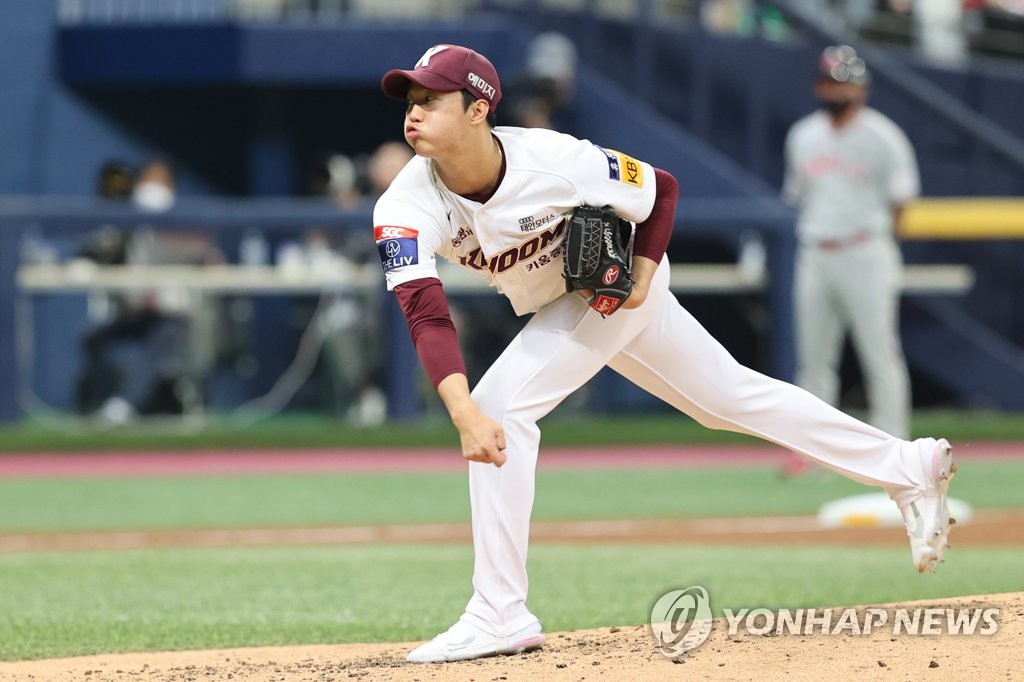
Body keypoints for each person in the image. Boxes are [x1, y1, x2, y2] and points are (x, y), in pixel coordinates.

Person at [372, 44, 955, 664]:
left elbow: (660, 190)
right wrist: (458, 411)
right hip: (565, 301)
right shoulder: (404, 205)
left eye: (431, 99)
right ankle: (906, 465)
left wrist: (644, 276)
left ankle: (498, 612)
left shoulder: (555, 160)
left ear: (478, 108)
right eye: (411, 101)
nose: (414, 113)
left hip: (613, 292)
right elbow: (424, 312)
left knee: (502, 407)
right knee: (727, 399)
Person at [783, 45, 918, 445]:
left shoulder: (884, 136)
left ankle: (893, 444)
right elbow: (798, 196)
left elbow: (901, 202)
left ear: (862, 88)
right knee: (813, 360)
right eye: (828, 82)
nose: (836, 91)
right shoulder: (803, 135)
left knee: (879, 354)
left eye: (843, 83)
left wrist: (881, 244)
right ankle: (816, 449)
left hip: (865, 249)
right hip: (816, 250)